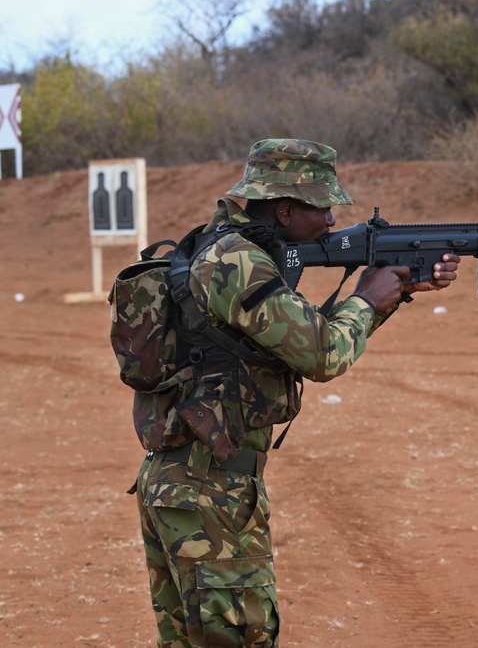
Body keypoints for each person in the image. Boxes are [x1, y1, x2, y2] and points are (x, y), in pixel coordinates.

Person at [126, 138, 460, 647]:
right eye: (322, 206)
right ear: (284, 208)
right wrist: (367, 301)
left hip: (188, 485)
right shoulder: (236, 262)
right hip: (208, 492)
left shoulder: (225, 250)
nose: (331, 221)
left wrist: (391, 294)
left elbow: (292, 339)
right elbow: (322, 355)